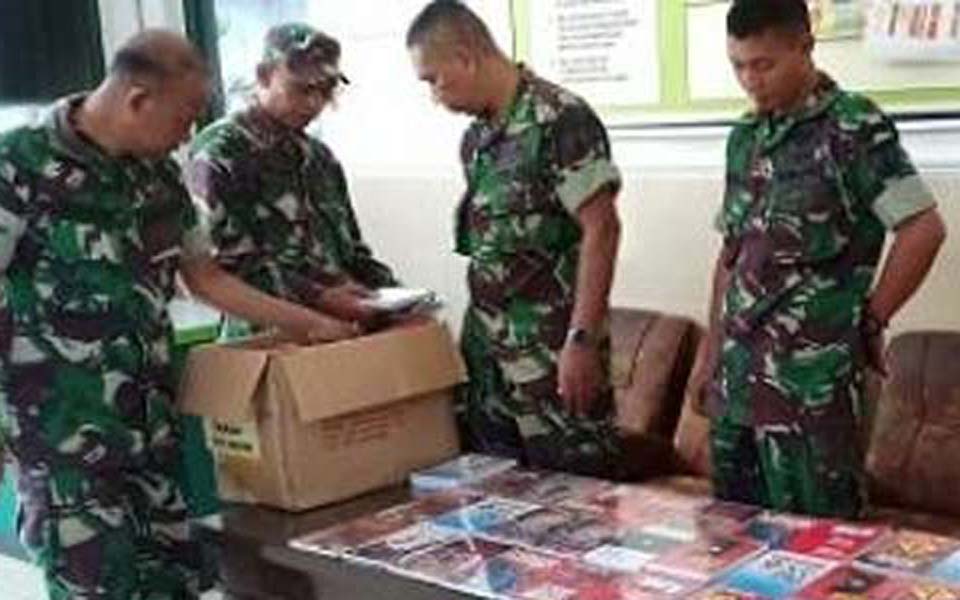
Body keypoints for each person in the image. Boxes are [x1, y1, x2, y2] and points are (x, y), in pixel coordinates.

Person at [0, 30, 353, 599]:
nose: (190, 132)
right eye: (185, 115)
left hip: (152, 429)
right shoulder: (19, 165)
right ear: (139, 99)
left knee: (177, 583)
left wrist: (307, 323)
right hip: (65, 444)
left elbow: (206, 277)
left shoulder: (158, 176)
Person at [687, 0, 947, 518]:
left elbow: (924, 229)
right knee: (732, 537)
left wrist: (871, 318)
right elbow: (731, 254)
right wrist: (709, 354)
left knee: (818, 544)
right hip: (738, 385)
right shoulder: (744, 139)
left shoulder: (853, 127)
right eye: (738, 65)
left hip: (810, 392)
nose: (749, 80)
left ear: (805, 46)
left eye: (764, 64)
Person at [406, 1, 629, 479]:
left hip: (551, 359)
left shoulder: (559, 119)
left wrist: (582, 341)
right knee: (496, 504)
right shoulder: (478, 140)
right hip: (490, 362)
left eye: (433, 79)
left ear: (465, 57)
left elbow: (602, 228)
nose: (433, 96)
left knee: (578, 505)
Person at [187, 23, 398, 333]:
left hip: (339, 332)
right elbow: (224, 266)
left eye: (325, 90)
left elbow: (351, 252)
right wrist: (320, 296)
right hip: (265, 335)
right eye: (301, 89)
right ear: (263, 76)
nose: (314, 103)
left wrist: (393, 297)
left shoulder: (319, 159)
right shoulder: (222, 153)